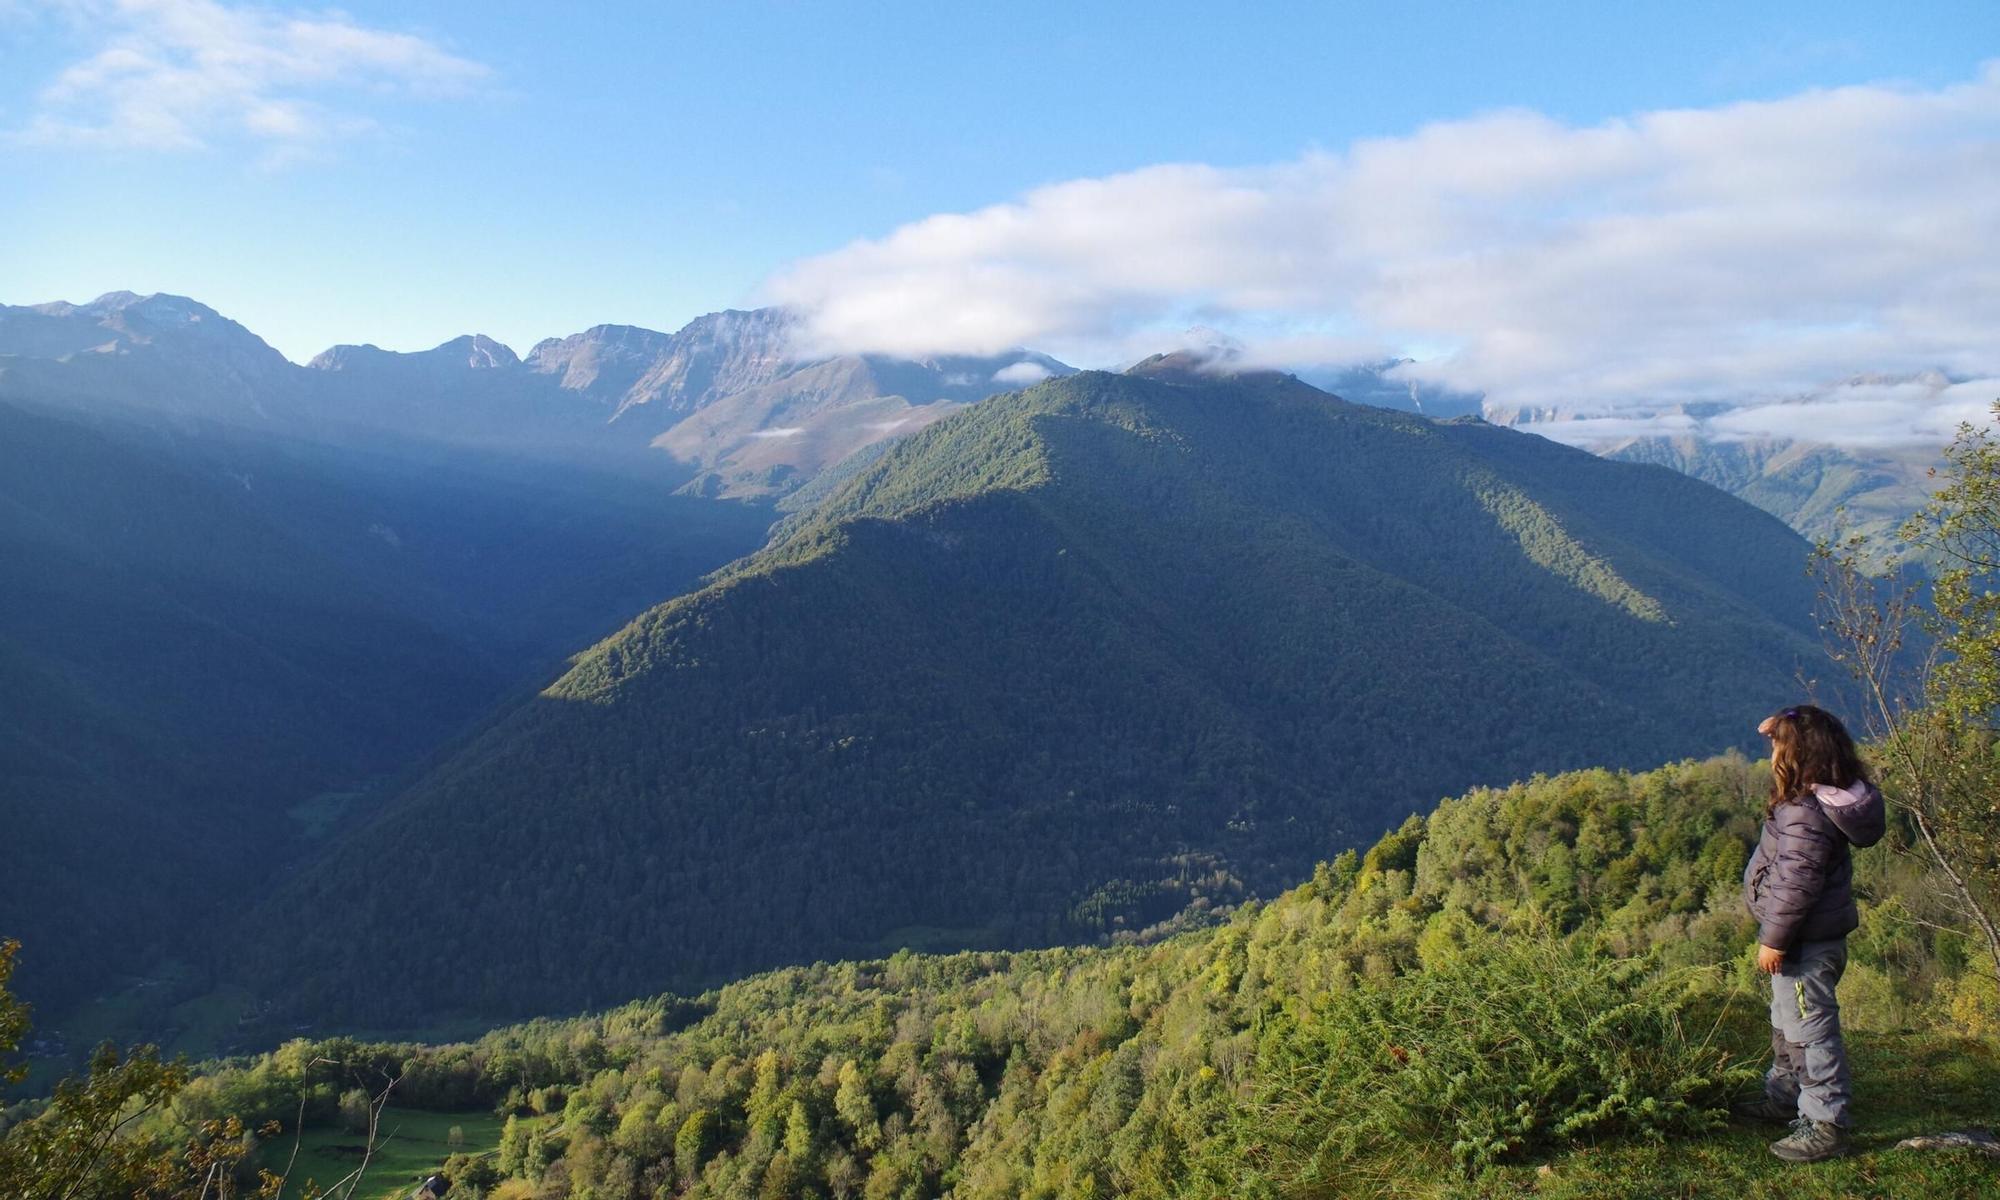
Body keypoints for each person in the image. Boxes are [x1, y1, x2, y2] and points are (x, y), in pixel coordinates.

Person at [1736, 704, 1885, 1163]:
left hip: (1802, 942)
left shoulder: (1805, 813)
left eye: (1778, 744)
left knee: (1811, 1031)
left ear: (1795, 755)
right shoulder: (1830, 795)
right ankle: (1784, 1097)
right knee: (1788, 1023)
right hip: (1813, 938)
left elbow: (1796, 882)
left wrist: (1774, 939)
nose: (1771, 751)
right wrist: (1784, 720)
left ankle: (1826, 1123)